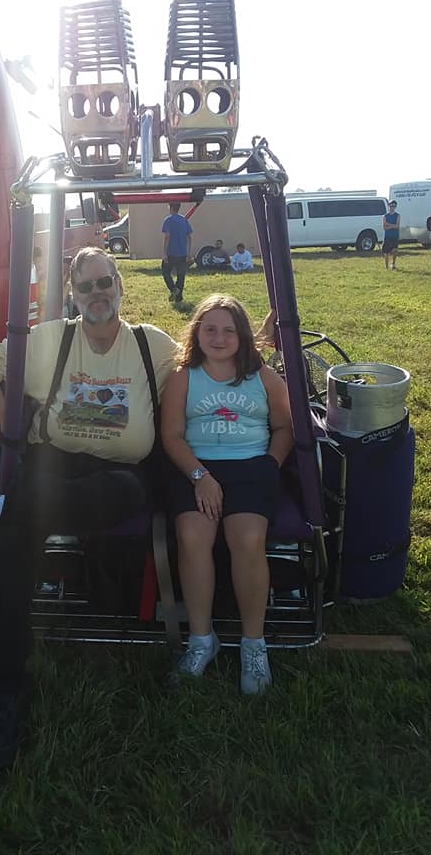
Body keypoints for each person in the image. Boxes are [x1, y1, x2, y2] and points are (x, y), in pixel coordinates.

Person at [0, 247, 177, 769]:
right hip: (53, 466)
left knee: (108, 495)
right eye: (86, 286)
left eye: (105, 282)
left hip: (122, 474)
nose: (97, 293)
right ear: (73, 294)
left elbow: (206, 361)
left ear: (120, 285)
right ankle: (2, 695)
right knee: (7, 550)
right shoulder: (54, 339)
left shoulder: (152, 345)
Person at [160, 294, 293, 695]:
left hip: (251, 466)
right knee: (192, 536)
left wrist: (270, 464)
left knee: (247, 538)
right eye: (210, 329)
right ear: (197, 333)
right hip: (197, 466)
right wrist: (199, 476)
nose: (218, 338)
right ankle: (202, 640)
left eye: (228, 331)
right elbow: (172, 436)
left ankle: (254, 643)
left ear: (242, 336)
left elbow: (285, 427)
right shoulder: (184, 377)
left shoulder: (261, 376)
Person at [161, 202, 193, 302]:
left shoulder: (168, 220)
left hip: (171, 252)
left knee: (166, 272)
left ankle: (173, 289)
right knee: (181, 275)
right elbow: (189, 237)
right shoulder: (184, 220)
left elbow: (167, 237)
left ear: (170, 208)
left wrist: (164, 253)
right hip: (182, 253)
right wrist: (188, 253)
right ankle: (179, 297)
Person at [382, 200, 400, 270]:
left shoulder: (398, 215)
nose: (392, 207)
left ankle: (393, 263)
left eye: (393, 206)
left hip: (395, 236)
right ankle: (386, 267)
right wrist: (393, 225)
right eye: (391, 206)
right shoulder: (385, 216)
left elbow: (397, 226)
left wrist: (388, 224)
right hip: (387, 236)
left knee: (395, 250)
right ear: (388, 206)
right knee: (386, 252)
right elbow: (384, 227)